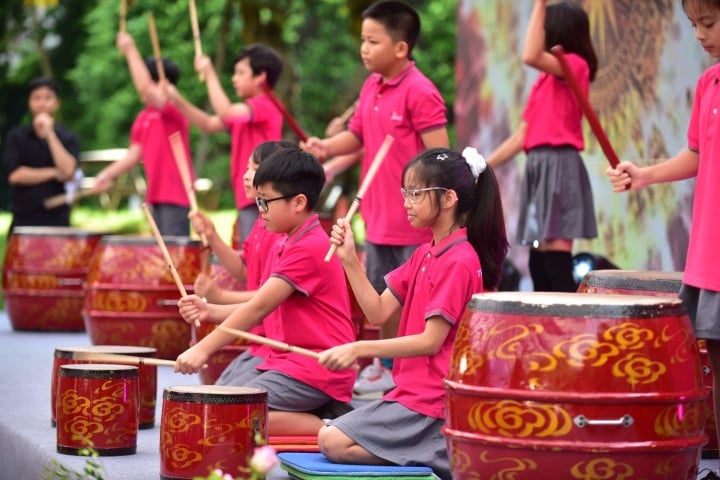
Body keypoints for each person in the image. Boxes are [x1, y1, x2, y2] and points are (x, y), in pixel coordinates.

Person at [318, 147, 508, 480]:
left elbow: (431, 342)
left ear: (448, 199)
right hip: (410, 393)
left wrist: (358, 348)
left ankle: (442, 451)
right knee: (331, 440)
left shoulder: (460, 259)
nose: (406, 201)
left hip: (433, 398)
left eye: (416, 193)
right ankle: (437, 450)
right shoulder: (426, 253)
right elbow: (377, 312)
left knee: (332, 441)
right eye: (406, 192)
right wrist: (349, 258)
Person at [303, 0, 449, 397]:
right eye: (362, 40)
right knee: (383, 297)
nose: (364, 49)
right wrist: (326, 146)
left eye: (372, 41)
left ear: (400, 48)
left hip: (417, 221)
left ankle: (419, 372)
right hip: (379, 214)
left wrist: (437, 211)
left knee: (418, 302)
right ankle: (385, 367)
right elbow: (357, 135)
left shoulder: (421, 92)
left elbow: (442, 159)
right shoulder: (372, 86)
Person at [607, 1, 720, 478]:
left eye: (708, 23)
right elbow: (696, 154)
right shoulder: (707, 84)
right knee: (716, 368)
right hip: (709, 256)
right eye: (693, 25)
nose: (698, 35)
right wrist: (645, 175)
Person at [175, 148, 356, 436]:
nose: (260, 209)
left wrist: (202, 348)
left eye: (265, 202)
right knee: (218, 402)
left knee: (234, 412)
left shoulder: (308, 248)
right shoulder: (289, 240)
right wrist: (211, 311)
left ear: (298, 202)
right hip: (289, 363)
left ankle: (335, 427)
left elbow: (258, 307)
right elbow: (263, 301)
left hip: (317, 368)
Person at [486, 0, 598, 292]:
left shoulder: (575, 65)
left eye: (544, 27)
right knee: (538, 261)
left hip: (559, 165)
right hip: (539, 166)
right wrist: (484, 164)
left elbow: (530, 54)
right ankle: (543, 329)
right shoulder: (546, 80)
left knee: (556, 259)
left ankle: (565, 329)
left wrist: (539, 4)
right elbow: (523, 136)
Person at [190, 140, 296, 386]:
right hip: (260, 342)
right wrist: (213, 236)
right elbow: (246, 271)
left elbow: (266, 299)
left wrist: (219, 296)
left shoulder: (280, 231)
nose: (246, 176)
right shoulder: (264, 222)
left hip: (278, 347)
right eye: (246, 168)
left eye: (254, 169)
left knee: (229, 405)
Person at [168, 44, 284, 245]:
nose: (234, 78)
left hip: (263, 196)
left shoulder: (265, 105)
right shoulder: (245, 113)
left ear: (260, 77)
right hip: (248, 196)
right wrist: (176, 99)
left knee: (257, 258)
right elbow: (208, 123)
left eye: (240, 73)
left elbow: (226, 112)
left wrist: (210, 74)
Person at [92, 31, 192, 236]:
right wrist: (106, 174)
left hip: (176, 195)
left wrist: (130, 49)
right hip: (154, 195)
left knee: (175, 253)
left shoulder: (174, 110)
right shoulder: (143, 117)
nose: (141, 88)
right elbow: (134, 155)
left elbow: (147, 90)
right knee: (160, 256)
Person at [3, 77, 80, 235]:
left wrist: (50, 134)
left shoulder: (68, 137)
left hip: (57, 218)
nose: (42, 103)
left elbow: (68, 171)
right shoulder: (16, 137)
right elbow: (15, 175)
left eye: (47, 98)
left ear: (57, 103)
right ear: (29, 102)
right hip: (23, 218)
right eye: (36, 98)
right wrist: (53, 172)